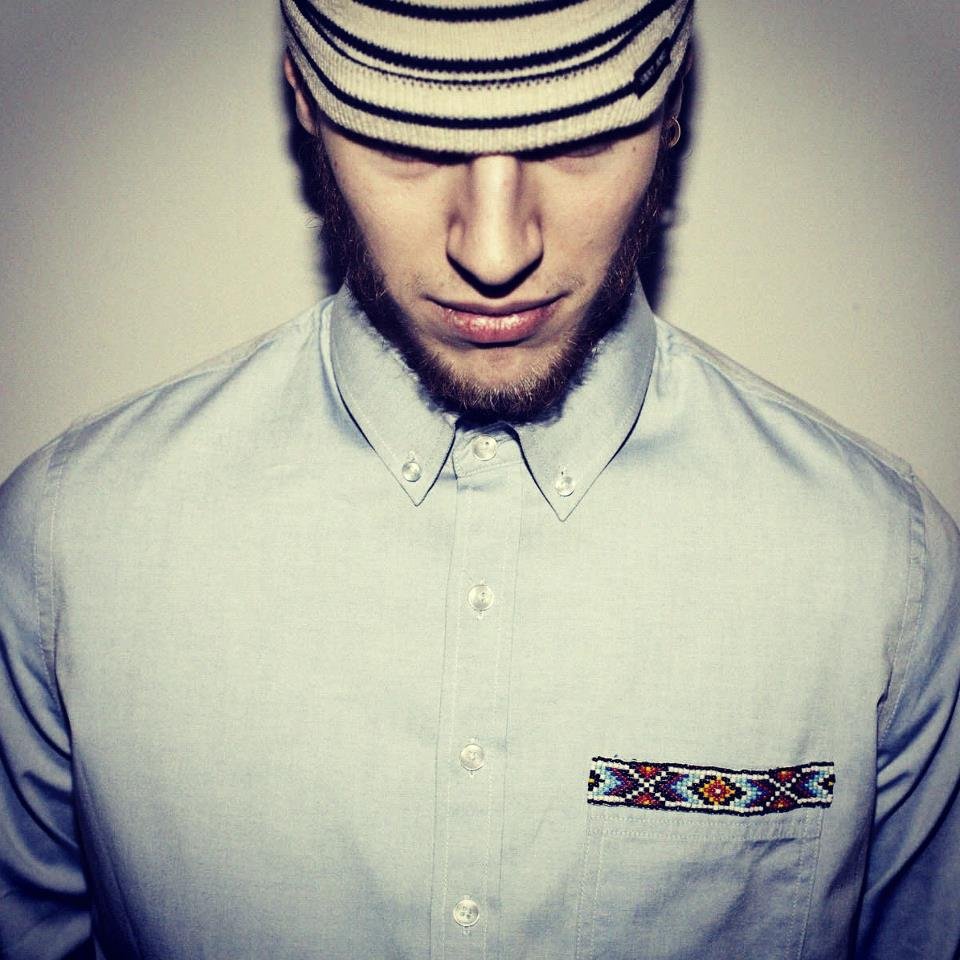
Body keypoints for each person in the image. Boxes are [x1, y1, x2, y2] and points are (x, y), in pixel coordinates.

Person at [1, 2, 957, 957]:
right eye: (408, 140)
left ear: (672, 107)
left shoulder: (879, 568)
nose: (495, 254)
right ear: (305, 101)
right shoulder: (69, 547)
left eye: (577, 135)